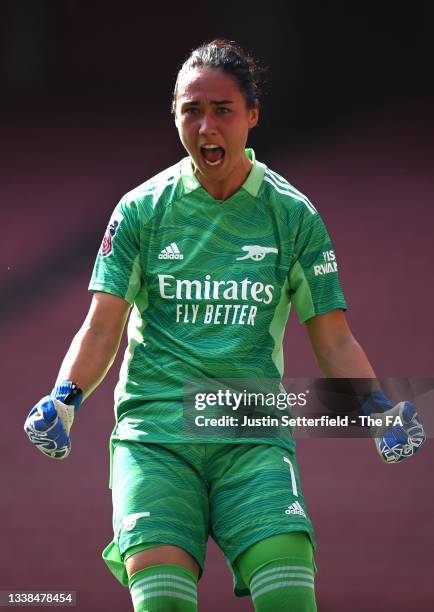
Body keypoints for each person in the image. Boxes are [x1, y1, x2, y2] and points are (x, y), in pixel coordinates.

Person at [24, 40, 425, 612]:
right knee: (164, 602)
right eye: (191, 110)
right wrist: (65, 398)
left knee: (290, 597)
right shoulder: (140, 211)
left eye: (222, 110)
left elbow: (333, 335)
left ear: (253, 116)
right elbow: (100, 326)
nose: (206, 126)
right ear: (175, 115)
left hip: (251, 431)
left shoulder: (292, 215)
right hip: (157, 435)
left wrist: (379, 408)